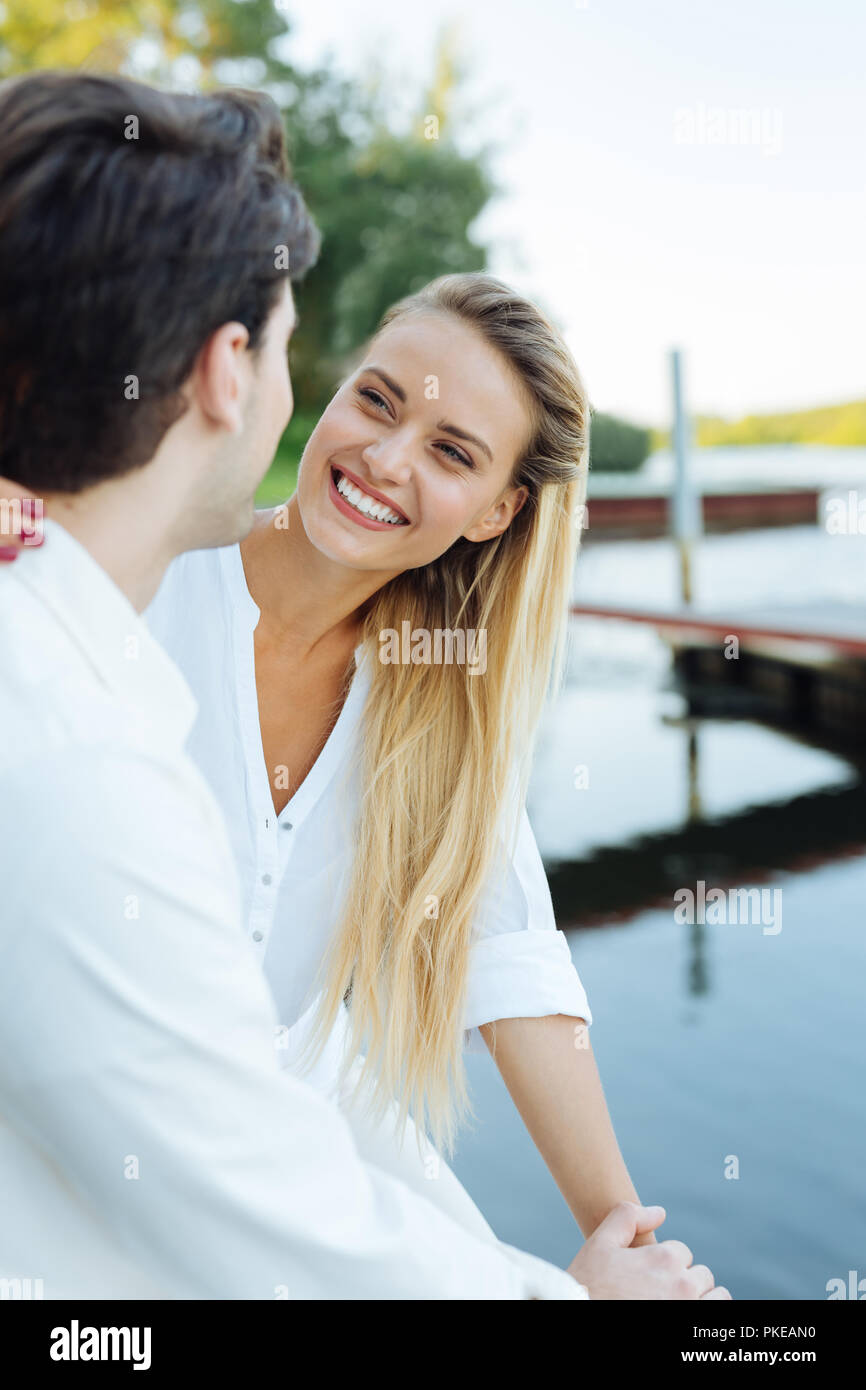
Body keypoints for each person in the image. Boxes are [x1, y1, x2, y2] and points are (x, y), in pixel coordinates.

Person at [0, 67, 729, 1301]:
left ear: (498, 512)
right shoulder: (112, 614)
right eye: (374, 399)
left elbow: (512, 959)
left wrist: (630, 1244)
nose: (384, 460)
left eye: (449, 452)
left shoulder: (434, 699)